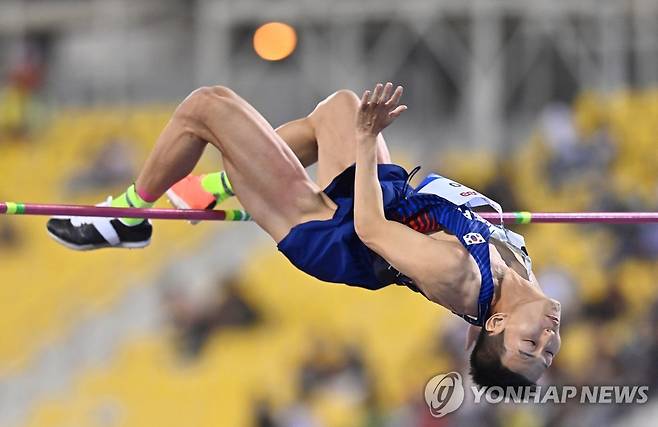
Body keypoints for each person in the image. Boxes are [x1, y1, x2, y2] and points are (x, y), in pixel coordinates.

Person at [47, 82, 561, 386]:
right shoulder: (520, 283)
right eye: (549, 349)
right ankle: (224, 181)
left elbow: (370, 228)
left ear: (497, 326)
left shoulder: (461, 276)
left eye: (530, 345)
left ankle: (129, 216)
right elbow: (483, 346)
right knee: (339, 107)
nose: (548, 338)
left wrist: (367, 140)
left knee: (206, 107)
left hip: (340, 238)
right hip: (389, 199)